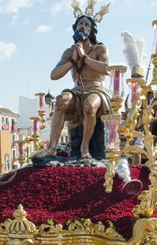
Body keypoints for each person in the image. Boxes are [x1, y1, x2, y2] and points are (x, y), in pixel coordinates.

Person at [33, 11, 111, 160]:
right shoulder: (70, 52)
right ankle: (51, 147)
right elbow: (54, 75)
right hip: (76, 90)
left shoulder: (100, 49)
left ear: (92, 30)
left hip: (96, 89)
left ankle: (85, 146)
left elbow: (106, 69)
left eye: (87, 24)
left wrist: (85, 58)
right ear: (75, 28)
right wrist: (73, 61)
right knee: (61, 100)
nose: (83, 26)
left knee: (89, 106)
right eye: (80, 24)